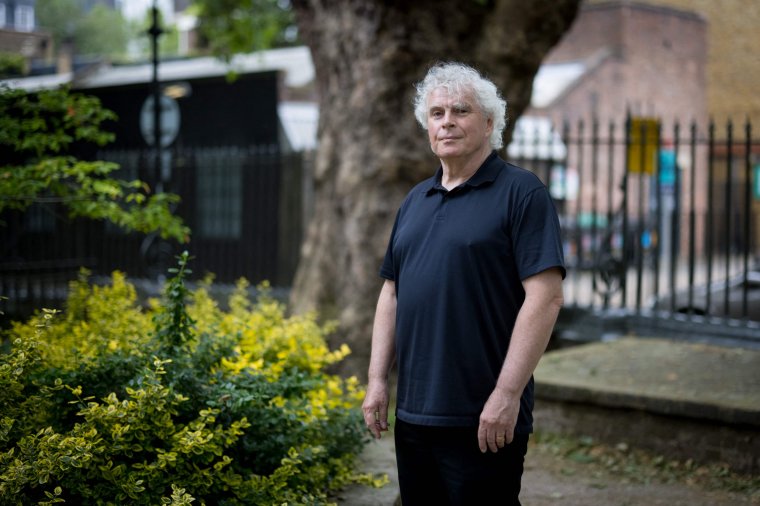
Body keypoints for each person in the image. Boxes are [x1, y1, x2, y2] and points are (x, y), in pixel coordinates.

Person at [362, 62, 566, 505]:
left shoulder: (522, 192)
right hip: (415, 414)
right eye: (437, 113)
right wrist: (378, 379)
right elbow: (391, 293)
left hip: (483, 416)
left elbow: (546, 297)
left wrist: (506, 394)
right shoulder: (415, 199)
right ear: (427, 126)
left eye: (461, 110)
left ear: (489, 123)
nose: (448, 121)